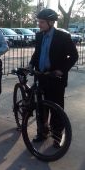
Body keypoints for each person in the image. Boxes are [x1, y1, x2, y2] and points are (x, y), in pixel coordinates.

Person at [29, 8, 78, 147]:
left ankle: (57, 136)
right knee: (41, 107)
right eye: (39, 21)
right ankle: (42, 132)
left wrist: (61, 70)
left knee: (56, 108)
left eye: (42, 22)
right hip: (41, 76)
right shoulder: (39, 36)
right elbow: (37, 53)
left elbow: (74, 56)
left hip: (55, 78)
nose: (39, 24)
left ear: (51, 22)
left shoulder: (62, 37)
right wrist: (31, 64)